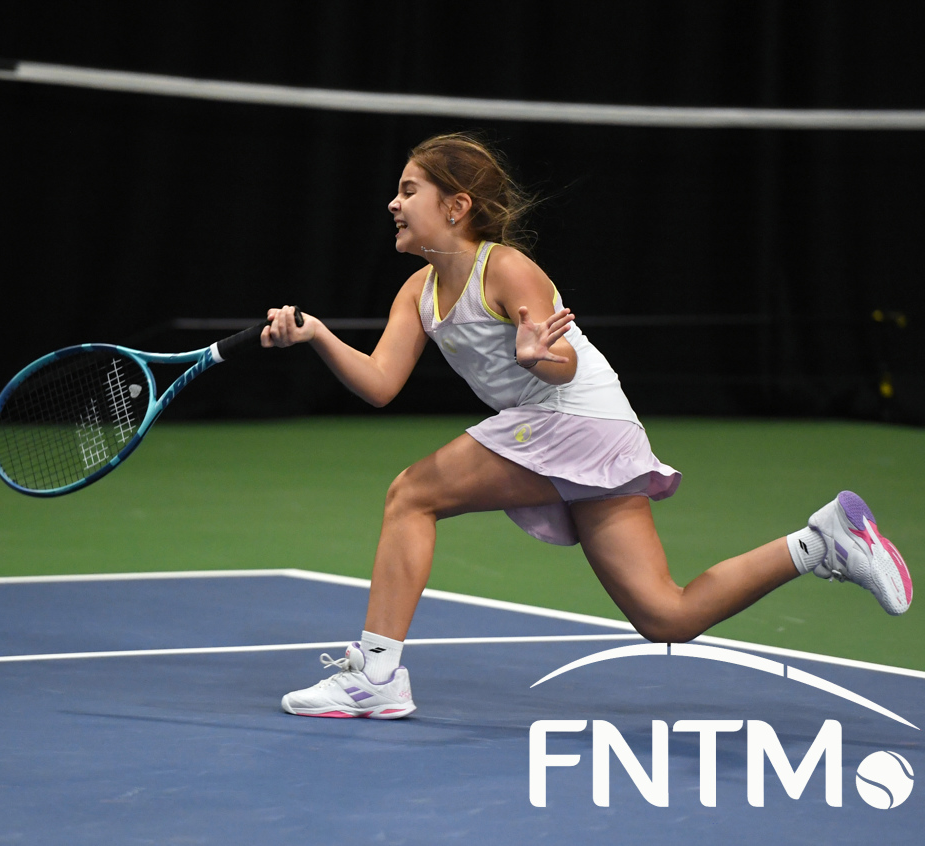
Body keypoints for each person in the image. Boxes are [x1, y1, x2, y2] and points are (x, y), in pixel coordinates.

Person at [262, 132, 912, 720]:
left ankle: (376, 675)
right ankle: (820, 542)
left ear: (455, 206)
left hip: (572, 417)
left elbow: (565, 365)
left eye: (409, 191)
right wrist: (317, 335)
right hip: (597, 432)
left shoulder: (505, 269)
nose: (393, 204)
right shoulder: (417, 292)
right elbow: (380, 384)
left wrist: (536, 355)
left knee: (412, 494)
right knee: (666, 615)